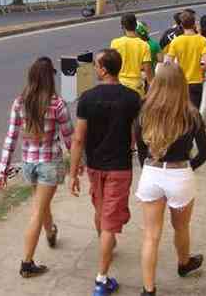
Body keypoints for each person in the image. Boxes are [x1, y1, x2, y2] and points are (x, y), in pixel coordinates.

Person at [69, 49, 141, 296]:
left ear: (103, 69)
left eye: (97, 66)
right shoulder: (132, 98)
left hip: (95, 166)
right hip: (119, 166)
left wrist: (73, 171)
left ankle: (105, 248)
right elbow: (136, 133)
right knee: (108, 220)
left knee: (102, 213)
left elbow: (78, 139)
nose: (95, 69)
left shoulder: (87, 98)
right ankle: (102, 280)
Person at [135, 63, 206, 296]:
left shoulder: (145, 110)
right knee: (181, 227)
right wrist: (188, 168)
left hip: (151, 172)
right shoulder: (191, 113)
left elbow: (139, 146)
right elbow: (205, 152)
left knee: (150, 235)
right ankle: (184, 263)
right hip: (180, 175)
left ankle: (148, 289)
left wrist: (147, 168)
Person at [0, 57, 74, 278]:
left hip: (29, 164)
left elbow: (11, 138)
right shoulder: (57, 104)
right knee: (38, 211)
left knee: (42, 204)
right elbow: (69, 138)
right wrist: (79, 163)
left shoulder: (20, 102)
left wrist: (2, 170)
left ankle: (51, 232)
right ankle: (27, 263)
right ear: (50, 77)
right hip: (49, 163)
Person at [165, 12, 206, 109]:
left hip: (180, 82)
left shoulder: (176, 41)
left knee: (180, 111)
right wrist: (200, 71)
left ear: (181, 25)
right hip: (196, 81)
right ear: (194, 24)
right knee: (193, 111)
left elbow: (168, 63)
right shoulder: (203, 40)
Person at [110, 13, 153, 96]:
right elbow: (147, 68)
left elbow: (111, 65)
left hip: (119, 84)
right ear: (136, 25)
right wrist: (151, 85)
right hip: (136, 86)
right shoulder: (144, 45)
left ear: (122, 27)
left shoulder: (115, 43)